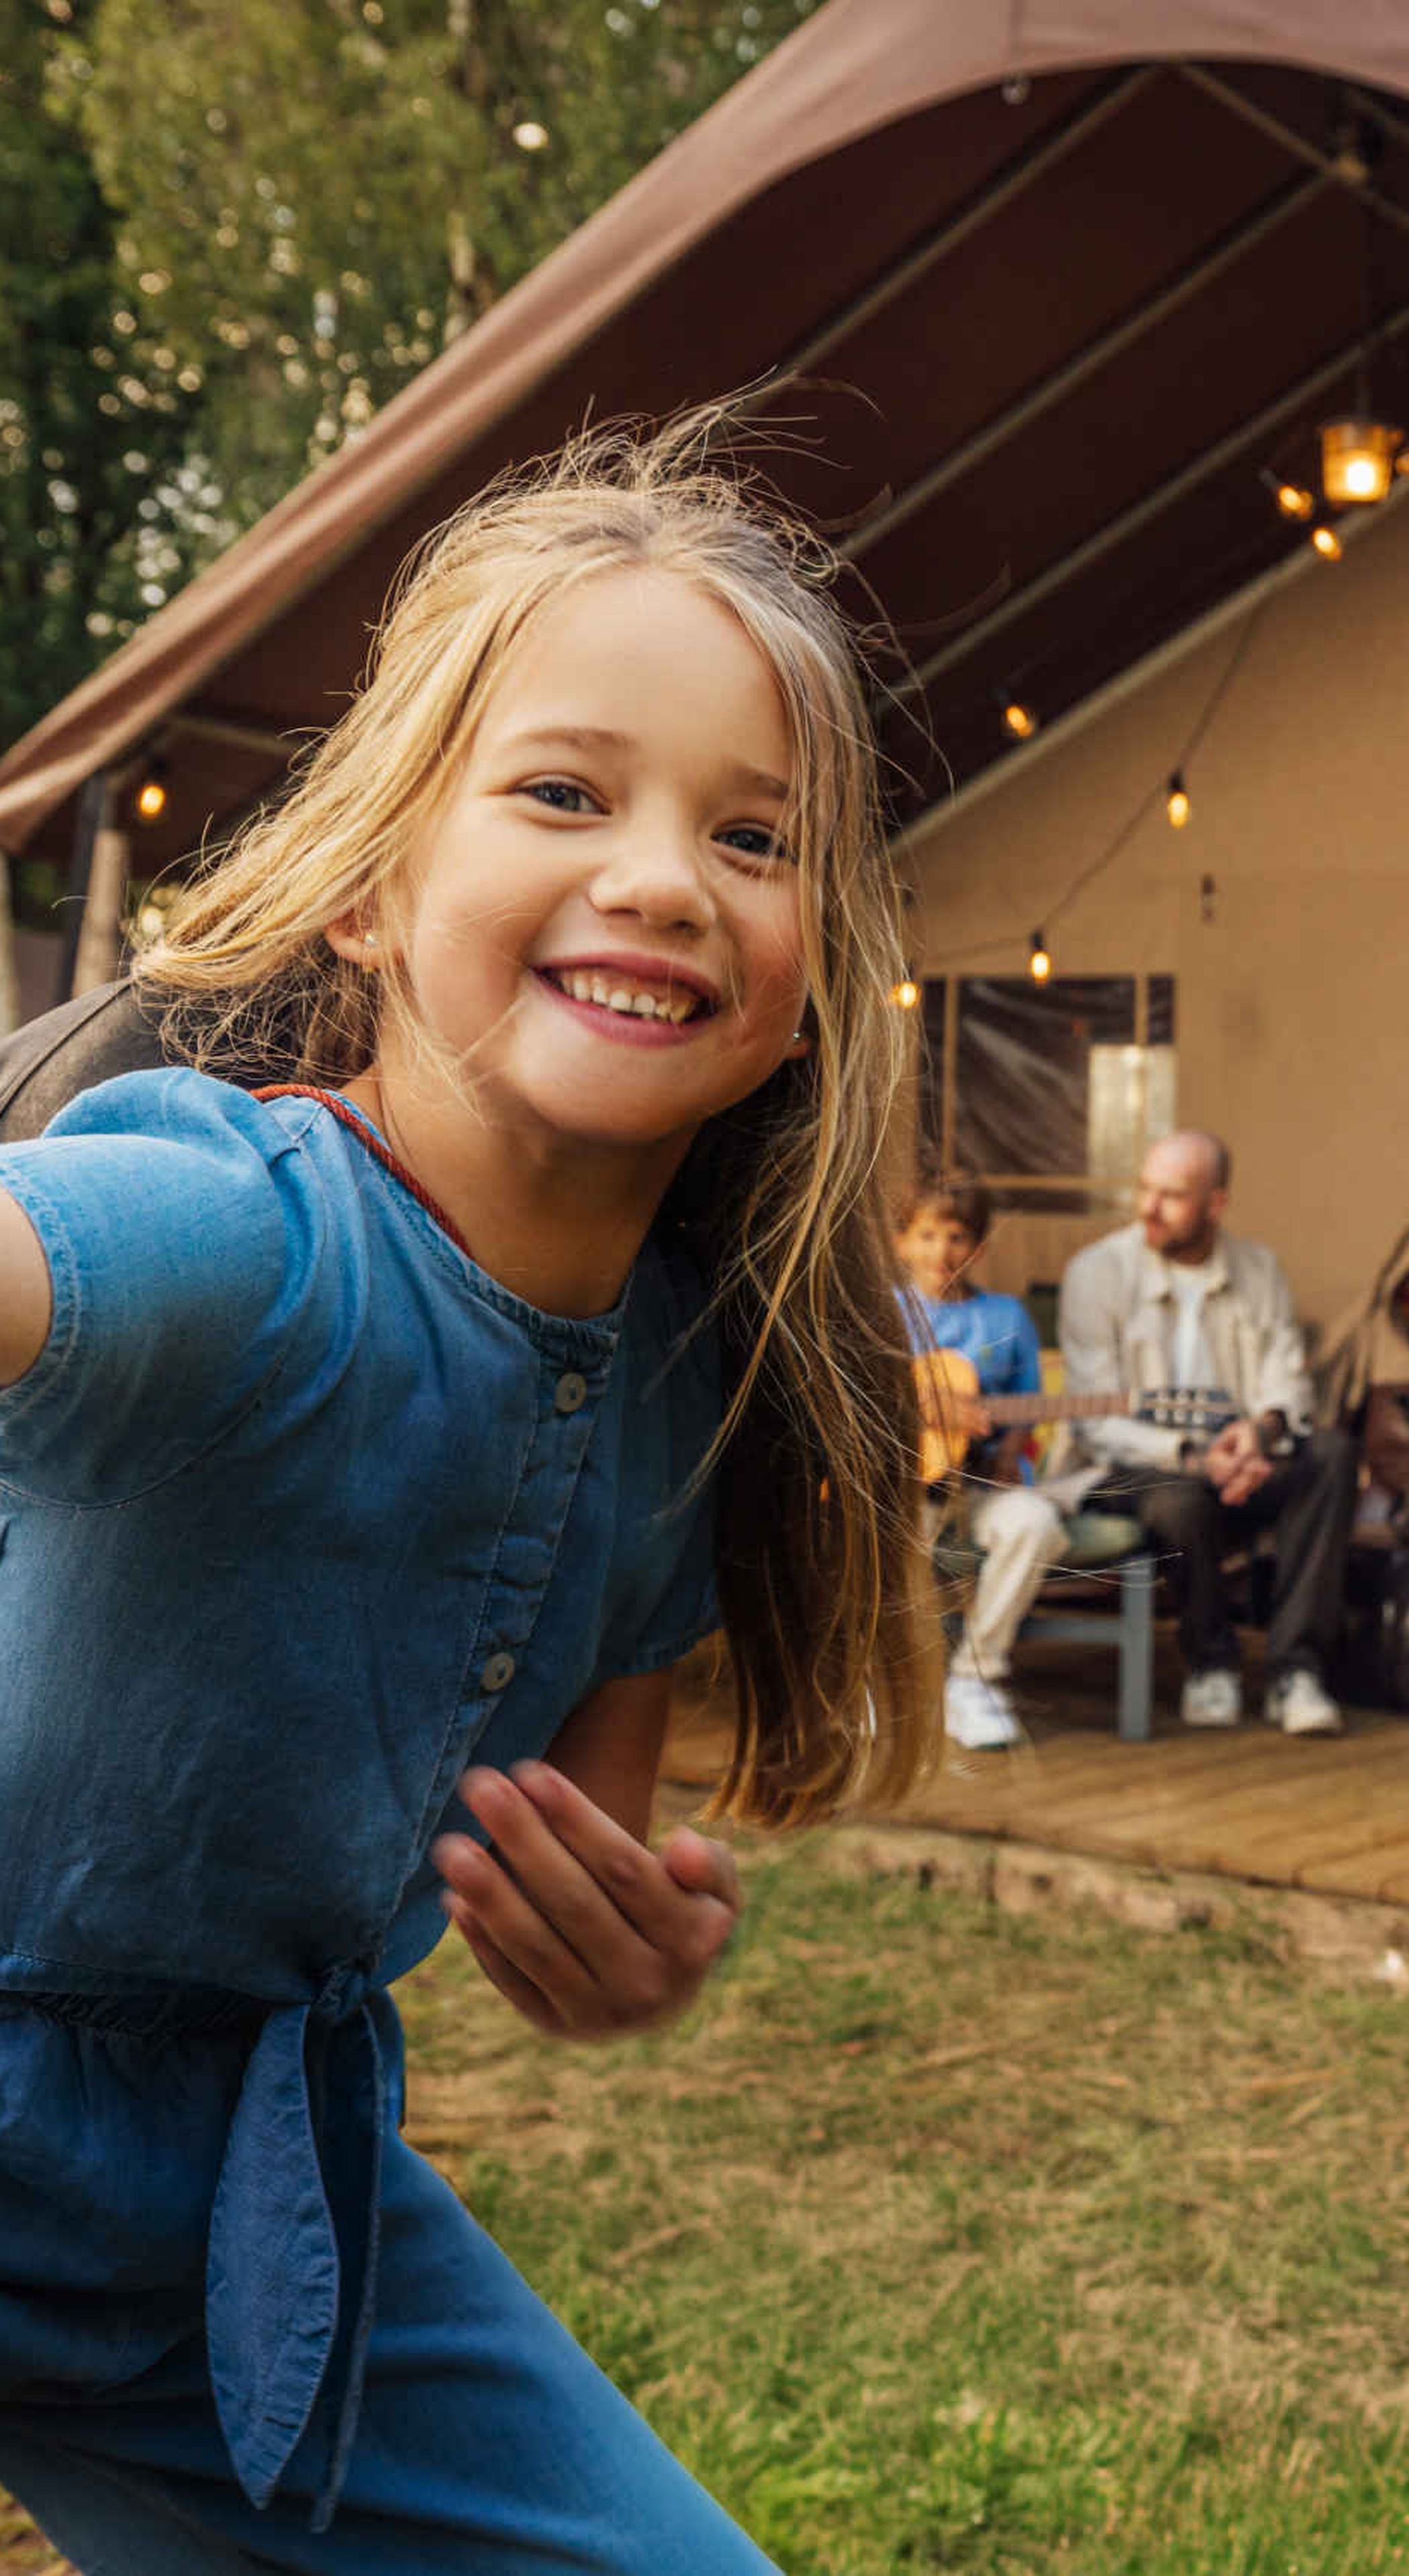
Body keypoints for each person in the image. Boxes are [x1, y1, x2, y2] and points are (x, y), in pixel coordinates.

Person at [0, 423, 939, 2569]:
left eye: (753, 833)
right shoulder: (247, 1234)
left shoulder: (682, 1385)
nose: (661, 875)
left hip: (237, 2208)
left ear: (807, 976)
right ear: (372, 876)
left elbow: (572, 1823)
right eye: (560, 792)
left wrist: (612, 1951)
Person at [1058, 1129, 1356, 1736]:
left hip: (1240, 1460)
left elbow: (1285, 1377)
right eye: (1145, 1189)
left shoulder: (1258, 1269)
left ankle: (1295, 1672)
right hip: (1134, 1466)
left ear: (1216, 1204)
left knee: (1331, 1453)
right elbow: (1093, 1418)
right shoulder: (1097, 1273)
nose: (1149, 1207)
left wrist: (1262, 1432)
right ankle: (1211, 1662)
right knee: (1179, 1497)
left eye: (1172, 1196)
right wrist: (1192, 1456)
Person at [898, 1170, 1067, 1752]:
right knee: (865, 1537)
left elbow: (1029, 1403)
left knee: (1035, 1524)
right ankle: (880, 1682)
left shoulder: (1006, 1318)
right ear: (902, 1242)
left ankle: (974, 1677)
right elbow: (861, 1398)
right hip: (904, 1490)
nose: (941, 1252)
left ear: (979, 1247)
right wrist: (931, 1407)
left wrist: (1010, 1446)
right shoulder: (883, 1314)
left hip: (984, 1486)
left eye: (957, 1237)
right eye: (926, 1235)